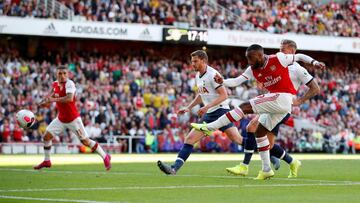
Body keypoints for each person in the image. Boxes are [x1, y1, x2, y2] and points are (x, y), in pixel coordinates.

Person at [192, 44, 325, 180]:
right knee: (259, 132)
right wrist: (223, 81)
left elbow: (300, 56)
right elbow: (237, 81)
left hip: (282, 98)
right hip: (277, 103)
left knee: (244, 107)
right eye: (247, 59)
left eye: (251, 58)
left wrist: (314, 62)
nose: (249, 62)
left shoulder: (278, 59)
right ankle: (266, 169)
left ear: (260, 56)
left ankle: (210, 127)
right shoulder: (252, 68)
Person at [157, 50, 243, 175]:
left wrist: (207, 107)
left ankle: (270, 150)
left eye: (195, 61)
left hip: (221, 111)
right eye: (192, 61)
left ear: (204, 61)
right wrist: (189, 107)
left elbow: (224, 95)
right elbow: (201, 94)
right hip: (209, 114)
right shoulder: (198, 75)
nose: (193, 64)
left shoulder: (213, 74)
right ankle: (174, 168)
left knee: (238, 140)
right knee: (190, 139)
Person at [34, 66, 111, 170]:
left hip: (73, 119)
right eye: (60, 73)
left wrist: (52, 99)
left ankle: (105, 156)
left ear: (68, 74)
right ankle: (47, 161)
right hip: (61, 119)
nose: (62, 76)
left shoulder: (70, 84)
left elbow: (69, 98)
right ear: (57, 74)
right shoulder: (55, 84)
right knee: (46, 137)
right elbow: (51, 97)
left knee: (86, 142)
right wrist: (44, 102)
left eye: (64, 73)